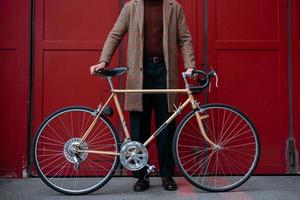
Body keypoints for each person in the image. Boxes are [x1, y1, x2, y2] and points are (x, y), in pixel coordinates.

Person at [90, 0, 195, 192]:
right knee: (139, 125)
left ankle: (166, 175)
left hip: (165, 71)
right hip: (139, 72)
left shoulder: (174, 7)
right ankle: (141, 176)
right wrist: (103, 61)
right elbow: (115, 34)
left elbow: (184, 38)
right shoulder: (131, 7)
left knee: (167, 124)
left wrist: (190, 65)